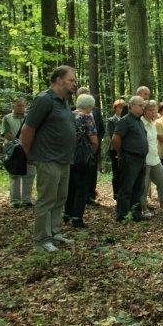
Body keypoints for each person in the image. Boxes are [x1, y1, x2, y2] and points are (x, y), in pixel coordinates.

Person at [20, 65, 78, 252]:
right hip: (47, 158)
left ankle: (54, 232)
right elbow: (28, 129)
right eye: (71, 80)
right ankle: (41, 240)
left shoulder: (64, 101)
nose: (74, 83)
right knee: (46, 199)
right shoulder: (44, 99)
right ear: (58, 80)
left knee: (60, 198)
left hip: (64, 159)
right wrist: (28, 154)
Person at [111, 96, 148, 222]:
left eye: (143, 106)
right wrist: (121, 153)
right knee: (126, 187)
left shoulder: (139, 121)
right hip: (130, 158)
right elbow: (116, 138)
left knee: (138, 188)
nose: (142, 108)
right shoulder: (125, 120)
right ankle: (122, 215)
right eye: (139, 105)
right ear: (131, 106)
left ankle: (136, 213)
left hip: (141, 159)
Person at [64, 93, 98, 228]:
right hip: (82, 158)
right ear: (90, 106)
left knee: (70, 186)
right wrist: (92, 152)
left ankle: (67, 213)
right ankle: (77, 218)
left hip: (68, 156)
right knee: (82, 188)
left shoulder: (69, 115)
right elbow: (93, 139)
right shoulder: (87, 117)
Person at [1, 97, 36, 208]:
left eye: (23, 105)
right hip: (15, 150)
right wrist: (19, 142)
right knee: (15, 174)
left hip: (28, 149)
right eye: (18, 105)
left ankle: (27, 199)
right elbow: (6, 134)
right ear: (13, 106)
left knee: (29, 173)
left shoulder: (29, 118)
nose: (21, 108)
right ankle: (14, 201)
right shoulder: (7, 118)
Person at [141, 100, 163, 215]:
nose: (153, 112)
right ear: (144, 111)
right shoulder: (140, 123)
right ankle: (144, 209)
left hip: (155, 158)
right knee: (144, 186)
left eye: (154, 109)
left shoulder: (154, 123)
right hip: (144, 160)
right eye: (150, 110)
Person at [75, 87, 105, 206]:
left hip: (88, 151)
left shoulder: (96, 112)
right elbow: (93, 139)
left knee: (91, 174)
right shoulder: (83, 115)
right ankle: (77, 208)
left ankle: (90, 196)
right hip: (82, 151)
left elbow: (100, 129)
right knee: (80, 177)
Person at [107, 99, 126, 200]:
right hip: (114, 149)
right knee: (116, 172)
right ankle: (116, 195)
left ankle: (124, 194)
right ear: (115, 108)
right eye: (119, 107)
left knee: (124, 172)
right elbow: (112, 135)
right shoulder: (111, 120)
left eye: (123, 107)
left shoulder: (126, 119)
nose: (121, 109)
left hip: (125, 149)